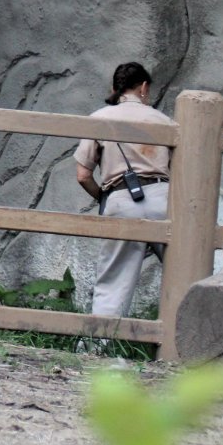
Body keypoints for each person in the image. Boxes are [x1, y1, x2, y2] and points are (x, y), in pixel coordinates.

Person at [73, 62, 176, 319]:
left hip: (120, 200)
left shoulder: (98, 119)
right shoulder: (165, 122)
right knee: (181, 274)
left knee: (113, 281)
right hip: (163, 200)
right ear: (144, 87)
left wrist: (104, 199)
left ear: (114, 89)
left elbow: (83, 176)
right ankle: (188, 348)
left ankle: (100, 347)